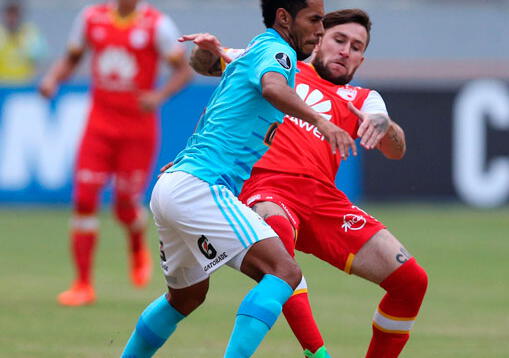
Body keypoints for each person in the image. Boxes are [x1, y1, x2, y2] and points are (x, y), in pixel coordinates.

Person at [120, 0, 357, 357]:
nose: (320, 30)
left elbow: (213, 83)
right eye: (314, 20)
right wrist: (322, 121)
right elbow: (273, 88)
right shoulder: (278, 52)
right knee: (284, 271)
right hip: (200, 188)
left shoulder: (257, 49)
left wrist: (211, 53)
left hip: (175, 186)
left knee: (186, 297)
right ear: (284, 17)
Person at [188, 9, 428, 358]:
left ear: (362, 57)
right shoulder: (280, 63)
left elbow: (396, 148)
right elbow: (202, 63)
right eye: (339, 40)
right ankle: (316, 351)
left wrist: (386, 126)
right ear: (318, 39)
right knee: (278, 241)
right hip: (265, 186)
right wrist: (207, 50)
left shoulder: (364, 99)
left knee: (412, 281)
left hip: (323, 200)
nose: (346, 50)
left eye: (356, 46)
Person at [38, 0, 192, 306]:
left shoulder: (156, 24)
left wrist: (159, 95)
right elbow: (72, 57)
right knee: (84, 199)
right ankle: (82, 284)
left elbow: (184, 71)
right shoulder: (91, 18)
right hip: (98, 127)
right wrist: (53, 78)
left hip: (137, 132)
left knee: (124, 204)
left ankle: (136, 244)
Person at [0, 0, 47, 83]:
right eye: (10, 14)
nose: (12, 19)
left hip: (25, 85)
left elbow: (42, 57)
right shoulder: (1, 34)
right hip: (2, 86)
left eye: (15, 14)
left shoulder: (30, 32)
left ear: (20, 15)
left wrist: (23, 43)